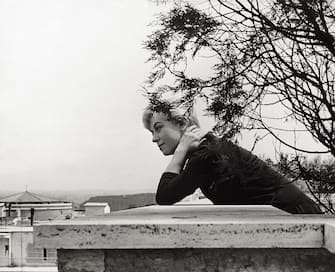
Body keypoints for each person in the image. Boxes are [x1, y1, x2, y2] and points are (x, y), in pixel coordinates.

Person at [143, 103, 323, 214]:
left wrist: (181, 150)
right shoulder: (210, 148)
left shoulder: (207, 155)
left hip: (297, 221)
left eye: (158, 128)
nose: (153, 138)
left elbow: (165, 196)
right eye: (152, 131)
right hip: (293, 218)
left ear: (182, 123)